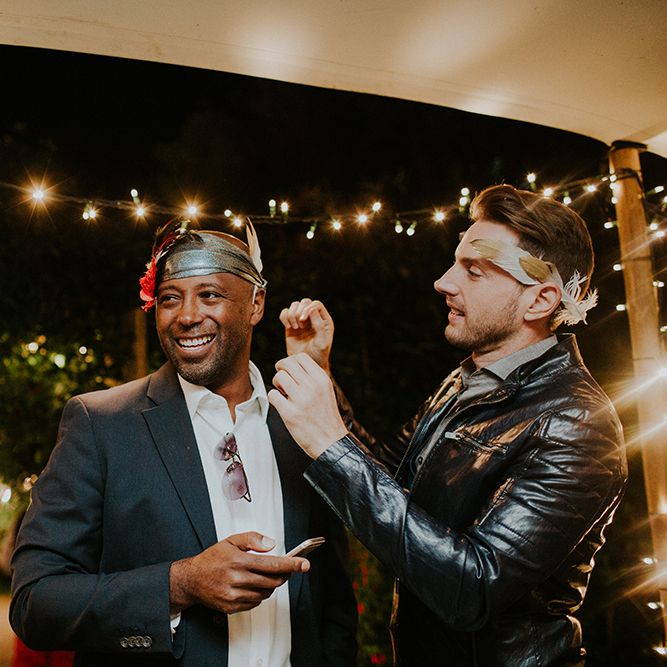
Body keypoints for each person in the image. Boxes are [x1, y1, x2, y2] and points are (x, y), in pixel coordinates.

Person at [268, 184, 628, 666]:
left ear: (540, 300)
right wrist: (320, 374)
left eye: (474, 272)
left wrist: (332, 447)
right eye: (455, 264)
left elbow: (474, 589)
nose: (443, 282)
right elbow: (390, 480)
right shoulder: (465, 382)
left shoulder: (576, 423)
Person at [10, 220, 357, 667]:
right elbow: (36, 601)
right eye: (170, 298)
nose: (187, 315)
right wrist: (180, 584)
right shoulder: (102, 425)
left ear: (256, 304)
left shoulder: (298, 426)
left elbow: (334, 600)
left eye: (209, 295)